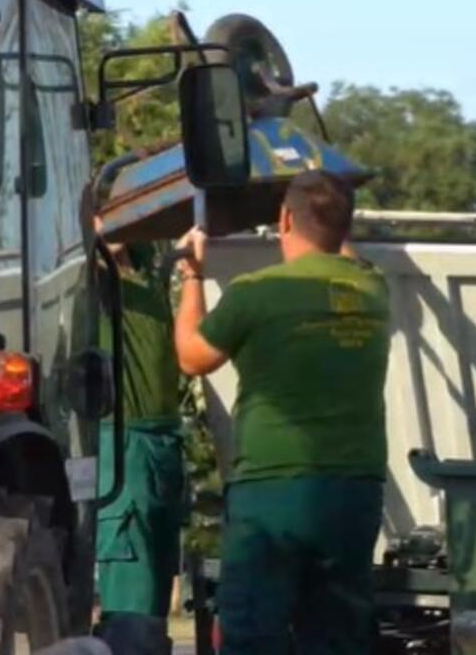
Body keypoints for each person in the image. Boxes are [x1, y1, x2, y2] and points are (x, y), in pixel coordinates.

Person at [173, 170, 391, 655]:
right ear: (345, 225)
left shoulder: (255, 292)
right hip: (354, 491)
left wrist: (192, 275)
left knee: (252, 633)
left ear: (285, 219)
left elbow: (191, 356)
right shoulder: (373, 289)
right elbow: (344, 254)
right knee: (338, 637)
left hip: (271, 491)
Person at [93, 219, 186, 655]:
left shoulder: (149, 265)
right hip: (123, 444)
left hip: (162, 445)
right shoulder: (89, 277)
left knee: (153, 604)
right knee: (131, 605)